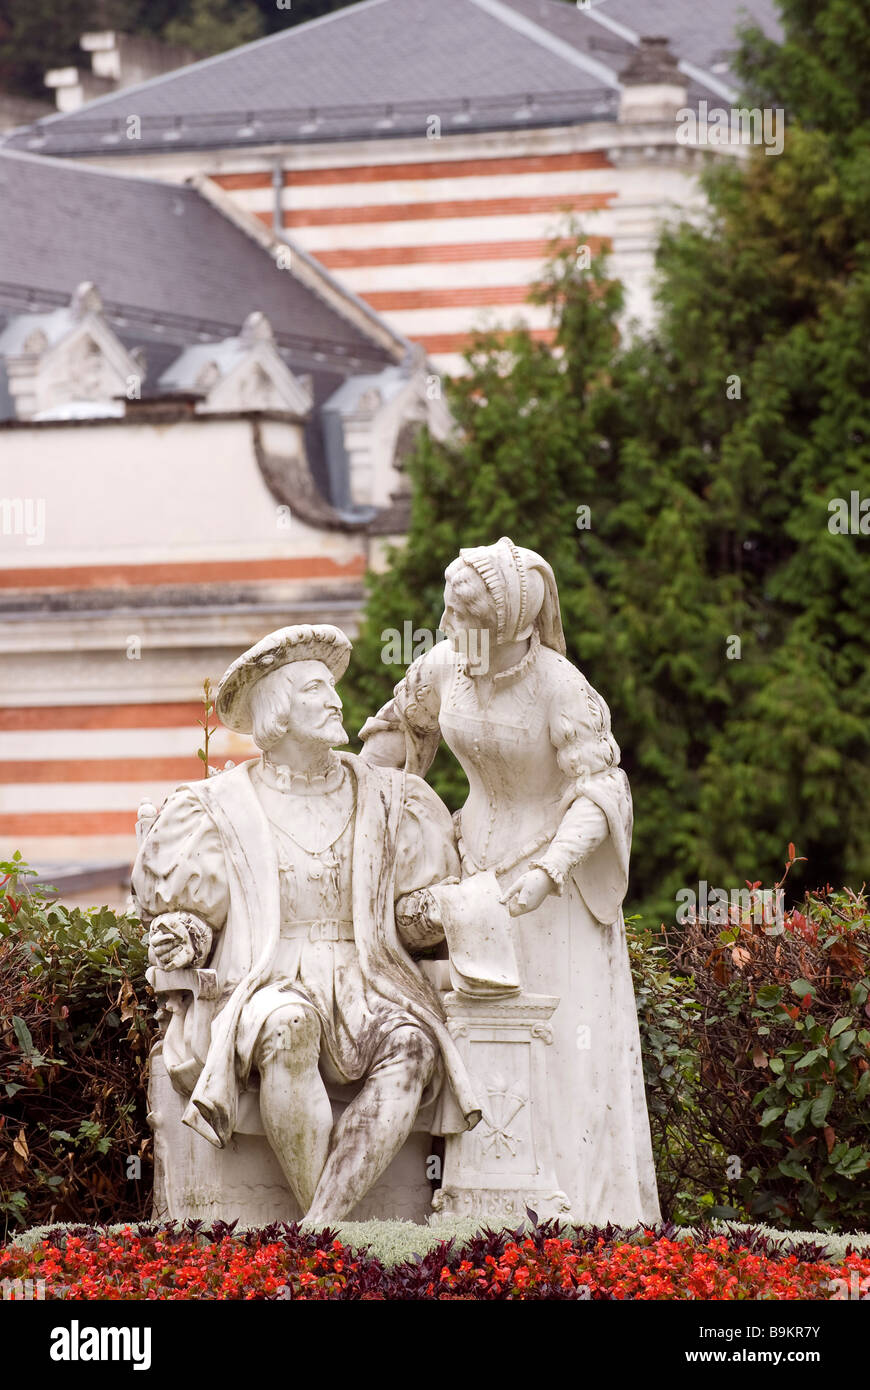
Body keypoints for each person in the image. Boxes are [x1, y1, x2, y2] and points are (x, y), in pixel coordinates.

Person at [132, 624, 480, 1225]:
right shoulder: (221, 806)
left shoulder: (391, 797)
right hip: (263, 976)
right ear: (277, 711)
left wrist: (449, 912)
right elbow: (196, 917)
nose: (336, 700)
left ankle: (320, 1231)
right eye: (315, 690)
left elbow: (412, 916)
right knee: (289, 1027)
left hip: (370, 978)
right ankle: (337, 1235)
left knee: (414, 1047)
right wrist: (183, 934)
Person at [360, 538, 661, 1224]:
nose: (445, 628)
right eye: (446, 610)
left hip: (550, 893)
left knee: (558, 1048)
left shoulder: (560, 686)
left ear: (514, 625)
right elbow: (394, 735)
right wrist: (350, 791)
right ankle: (481, 1215)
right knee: (476, 1038)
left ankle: (577, 1216)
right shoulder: (443, 668)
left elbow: (602, 791)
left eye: (463, 616)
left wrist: (553, 869)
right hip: (471, 879)